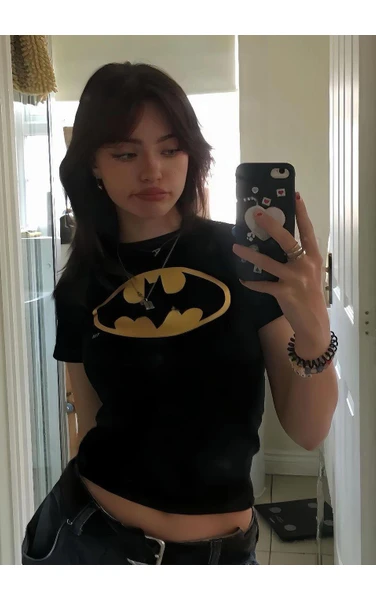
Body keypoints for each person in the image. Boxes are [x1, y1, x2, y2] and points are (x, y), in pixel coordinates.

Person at [21, 62, 338, 565]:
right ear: (93, 165)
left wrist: (315, 326)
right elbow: (88, 424)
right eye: (125, 153)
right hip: (90, 540)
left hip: (220, 558)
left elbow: (308, 431)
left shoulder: (242, 259)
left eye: (170, 149)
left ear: (192, 154)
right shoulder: (81, 284)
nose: (152, 170)